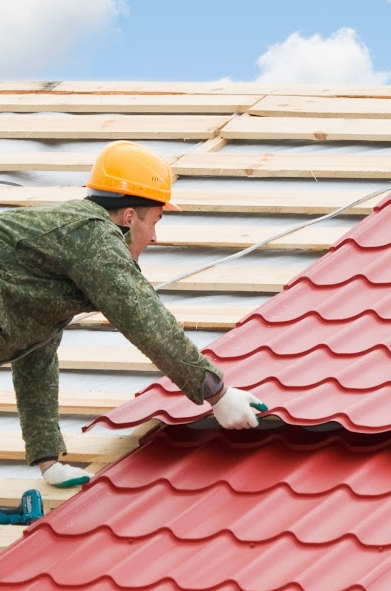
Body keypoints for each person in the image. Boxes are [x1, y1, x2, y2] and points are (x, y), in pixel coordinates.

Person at [0, 141, 264, 488]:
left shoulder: (58, 256)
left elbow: (36, 354)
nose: (154, 237)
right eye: (154, 221)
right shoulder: (92, 238)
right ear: (128, 217)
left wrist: (47, 458)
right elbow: (146, 320)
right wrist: (218, 394)